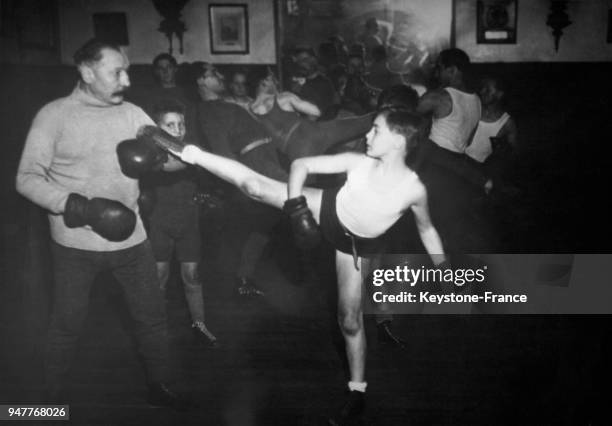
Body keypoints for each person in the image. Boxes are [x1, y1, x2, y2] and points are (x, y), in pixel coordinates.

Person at [148, 108, 447, 425]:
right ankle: (191, 153)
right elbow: (300, 165)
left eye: (376, 130)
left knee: (349, 320)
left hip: (354, 246)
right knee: (254, 187)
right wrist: (296, 207)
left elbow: (427, 229)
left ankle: (357, 392)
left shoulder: (414, 189)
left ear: (399, 141)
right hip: (327, 208)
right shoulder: (357, 162)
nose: (367, 135)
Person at [15, 39, 187, 408]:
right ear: (87, 72)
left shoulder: (133, 114)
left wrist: (161, 158)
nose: (125, 80)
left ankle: (162, 385)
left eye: (127, 71)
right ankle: (45, 404)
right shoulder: (54, 115)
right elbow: (26, 178)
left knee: (152, 318)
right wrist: (80, 208)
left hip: (133, 241)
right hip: (75, 245)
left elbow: (177, 157)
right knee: (67, 325)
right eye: (116, 72)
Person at [147, 99, 218, 348]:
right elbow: (170, 167)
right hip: (159, 222)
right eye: (170, 125)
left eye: (181, 124)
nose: (177, 129)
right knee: (159, 277)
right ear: (157, 127)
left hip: (188, 221)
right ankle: (155, 330)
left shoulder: (191, 148)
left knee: (193, 275)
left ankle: (199, 324)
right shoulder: (153, 153)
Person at [417, 48, 491, 252]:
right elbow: (469, 137)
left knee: (427, 230)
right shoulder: (477, 100)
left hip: (433, 168)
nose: (437, 73)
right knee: (450, 230)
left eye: (440, 68)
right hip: (458, 170)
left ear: (453, 70)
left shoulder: (441, 96)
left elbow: (407, 117)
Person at [249, 72, 375, 161]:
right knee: (359, 124)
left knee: (305, 189)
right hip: (310, 134)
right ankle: (388, 113)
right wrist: (299, 91)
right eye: (273, 79)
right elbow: (316, 112)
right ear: (265, 82)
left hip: (291, 151)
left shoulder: (249, 109)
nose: (276, 82)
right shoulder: (284, 97)